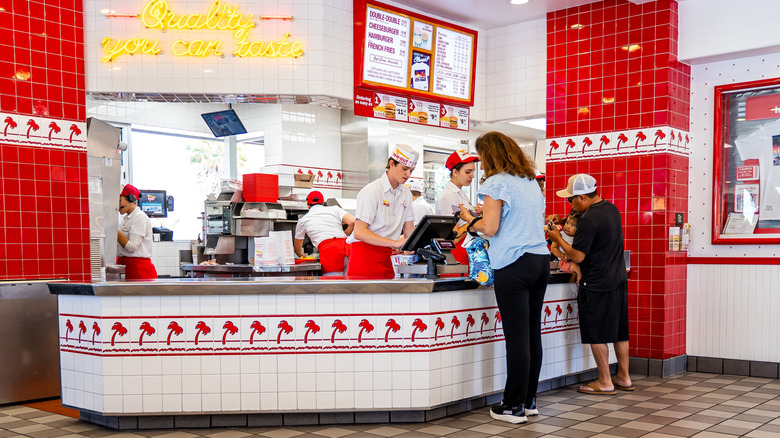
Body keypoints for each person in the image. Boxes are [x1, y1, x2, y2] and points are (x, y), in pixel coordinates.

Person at [458, 132, 549, 424]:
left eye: (482, 156)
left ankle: (512, 406)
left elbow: (492, 227)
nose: (481, 163)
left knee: (516, 337)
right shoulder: (530, 181)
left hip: (514, 264)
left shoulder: (495, 183)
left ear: (491, 155)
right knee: (532, 333)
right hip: (540, 261)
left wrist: (472, 224)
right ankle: (529, 400)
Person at [546, 173, 632, 395]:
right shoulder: (611, 209)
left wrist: (557, 240)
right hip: (618, 279)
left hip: (596, 282)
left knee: (598, 333)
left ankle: (605, 381)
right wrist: (565, 222)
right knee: (620, 332)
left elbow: (578, 256)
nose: (570, 204)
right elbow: (596, 233)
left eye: (571, 199)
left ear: (582, 197)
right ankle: (623, 377)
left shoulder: (589, 219)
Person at [346, 144, 418, 279]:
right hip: (365, 258)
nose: (408, 175)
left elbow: (409, 233)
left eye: (411, 171)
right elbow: (359, 232)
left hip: (389, 258)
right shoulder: (372, 191)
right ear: (391, 163)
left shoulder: (406, 193)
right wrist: (395, 243)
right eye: (404, 169)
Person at [293, 190, 355, 275]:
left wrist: (305, 257)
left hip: (330, 252)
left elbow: (297, 250)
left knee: (334, 286)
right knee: (353, 285)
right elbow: (352, 222)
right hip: (348, 248)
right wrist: (345, 235)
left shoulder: (303, 220)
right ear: (323, 203)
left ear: (308, 205)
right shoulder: (335, 209)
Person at [435, 150, 479, 265]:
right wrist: (473, 221)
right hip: (456, 252)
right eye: (468, 172)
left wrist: (476, 212)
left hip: (466, 249)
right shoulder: (448, 196)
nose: (472, 176)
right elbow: (453, 237)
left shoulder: (460, 192)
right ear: (455, 172)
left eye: (473, 171)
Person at [117, 184, 158, 280]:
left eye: (119, 200)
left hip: (139, 271)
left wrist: (114, 230)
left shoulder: (140, 217)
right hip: (126, 267)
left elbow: (132, 247)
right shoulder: (125, 219)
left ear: (131, 199)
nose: (117, 204)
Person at [550, 213, 582, 279]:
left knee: (575, 272)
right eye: (567, 223)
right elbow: (553, 248)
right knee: (577, 268)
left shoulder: (578, 238)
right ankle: (580, 282)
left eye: (572, 225)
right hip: (564, 262)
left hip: (574, 261)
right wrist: (562, 255)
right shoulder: (560, 235)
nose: (568, 227)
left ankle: (573, 286)